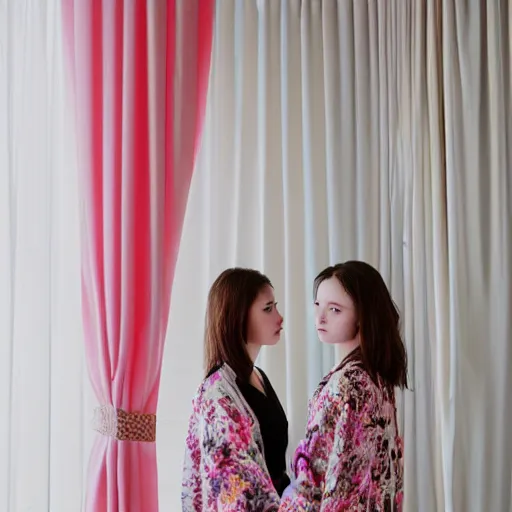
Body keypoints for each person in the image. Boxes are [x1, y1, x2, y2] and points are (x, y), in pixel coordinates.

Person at [280, 261, 408, 511]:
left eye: (335, 309)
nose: (320, 317)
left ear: (362, 315)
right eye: (318, 305)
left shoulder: (349, 384)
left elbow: (319, 476)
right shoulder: (376, 378)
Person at [182, 268, 290, 511]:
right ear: (238, 316)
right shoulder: (216, 395)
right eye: (268, 308)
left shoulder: (259, 377)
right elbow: (238, 489)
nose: (279, 317)